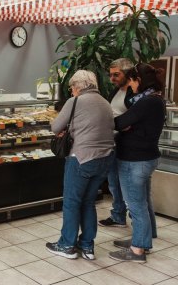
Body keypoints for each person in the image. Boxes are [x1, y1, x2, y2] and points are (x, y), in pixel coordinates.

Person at [46, 70, 115, 260]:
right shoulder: (105, 102)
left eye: (71, 88)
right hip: (105, 158)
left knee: (72, 202)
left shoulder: (75, 101)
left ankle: (66, 245)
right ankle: (87, 246)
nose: (71, 91)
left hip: (82, 157)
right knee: (88, 202)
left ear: (77, 86)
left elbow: (55, 127)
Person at [109, 63, 165, 263]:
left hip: (135, 159)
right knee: (142, 201)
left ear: (138, 80)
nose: (130, 86)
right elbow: (129, 123)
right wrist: (128, 125)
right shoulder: (154, 99)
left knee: (135, 204)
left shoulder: (146, 102)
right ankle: (142, 239)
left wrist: (125, 125)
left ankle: (137, 250)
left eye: (131, 81)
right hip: (146, 157)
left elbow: (119, 123)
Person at [99, 58, 134, 228]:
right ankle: (118, 215)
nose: (112, 78)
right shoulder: (116, 91)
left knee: (128, 185)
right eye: (111, 75)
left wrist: (120, 125)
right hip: (112, 142)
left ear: (127, 73)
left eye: (116, 75)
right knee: (113, 181)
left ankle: (137, 222)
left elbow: (135, 119)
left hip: (126, 145)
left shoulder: (134, 94)